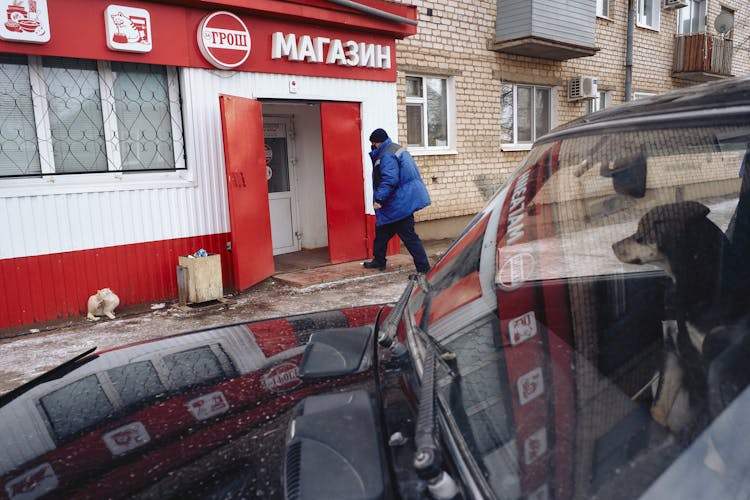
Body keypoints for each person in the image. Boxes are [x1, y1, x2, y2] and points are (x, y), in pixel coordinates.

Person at [363, 128, 432, 273]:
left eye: (373, 143)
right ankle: (379, 261)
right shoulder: (395, 149)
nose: (373, 146)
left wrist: (379, 199)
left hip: (399, 204)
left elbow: (390, 179)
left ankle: (424, 268)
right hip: (398, 202)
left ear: (376, 142)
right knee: (382, 233)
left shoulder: (387, 155)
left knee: (409, 237)